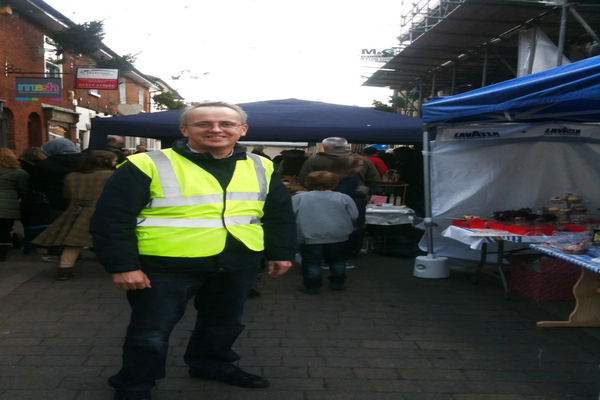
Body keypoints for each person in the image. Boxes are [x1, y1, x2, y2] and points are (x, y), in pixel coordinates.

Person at [89, 101, 296, 400]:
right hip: (165, 265)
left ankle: (211, 365)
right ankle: (134, 385)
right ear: (184, 130)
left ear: (242, 130)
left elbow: (278, 214)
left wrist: (281, 251)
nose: (216, 129)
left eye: (226, 124)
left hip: (236, 261)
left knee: (223, 323)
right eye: (204, 124)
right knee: (151, 331)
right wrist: (122, 266)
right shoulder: (146, 164)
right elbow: (112, 219)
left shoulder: (261, 165)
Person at [33, 151, 117, 280]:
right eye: (114, 160)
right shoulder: (112, 175)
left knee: (73, 243)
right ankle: (118, 266)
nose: (116, 162)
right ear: (105, 161)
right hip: (105, 211)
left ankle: (64, 269)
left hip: (77, 211)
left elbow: (67, 195)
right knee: (112, 239)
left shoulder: (72, 176)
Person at [293, 171, 358, 294]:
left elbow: (291, 214)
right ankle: (338, 283)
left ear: (308, 183)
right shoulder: (343, 197)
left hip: (310, 235)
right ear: (334, 183)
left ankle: (312, 286)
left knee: (311, 262)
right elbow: (354, 215)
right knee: (338, 259)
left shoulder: (299, 198)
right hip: (338, 236)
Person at [30, 138, 85, 260]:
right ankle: (76, 252)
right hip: (83, 199)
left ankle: (61, 253)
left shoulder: (45, 165)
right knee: (79, 227)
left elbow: (36, 185)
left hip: (58, 200)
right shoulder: (86, 162)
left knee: (59, 226)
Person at [297, 137, 380, 192]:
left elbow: (304, 179)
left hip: (321, 198)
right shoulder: (363, 160)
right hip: (355, 198)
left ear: (325, 146)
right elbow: (374, 181)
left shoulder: (314, 160)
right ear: (344, 146)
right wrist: (364, 192)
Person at [330, 156, 368, 260]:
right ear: (351, 167)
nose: (362, 167)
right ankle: (349, 252)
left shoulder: (334, 176)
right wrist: (362, 193)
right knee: (355, 229)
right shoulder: (352, 178)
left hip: (337, 208)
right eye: (360, 165)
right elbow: (345, 192)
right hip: (353, 205)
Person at [18, 147, 50, 256]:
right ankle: (47, 245)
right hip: (42, 198)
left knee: (29, 224)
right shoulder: (44, 167)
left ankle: (30, 248)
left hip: (27, 199)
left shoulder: (20, 167)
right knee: (46, 223)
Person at [0, 148, 29, 261]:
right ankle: (2, 253)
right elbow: (24, 190)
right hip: (7, 206)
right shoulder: (18, 173)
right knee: (3, 229)